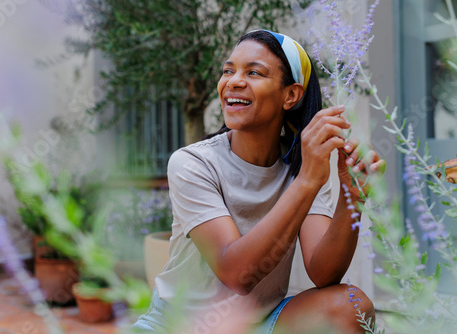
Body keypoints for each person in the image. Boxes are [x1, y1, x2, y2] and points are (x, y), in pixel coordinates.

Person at [131, 29, 383, 334]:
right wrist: (306, 182)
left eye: (253, 72)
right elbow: (236, 274)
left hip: (258, 324)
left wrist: (351, 196)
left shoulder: (302, 167)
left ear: (290, 95)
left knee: (351, 305)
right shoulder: (193, 163)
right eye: (228, 70)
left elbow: (324, 272)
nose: (233, 81)